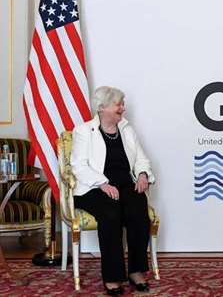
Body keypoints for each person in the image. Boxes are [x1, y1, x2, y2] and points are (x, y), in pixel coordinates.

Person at [71, 86, 155, 295]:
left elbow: (141, 159)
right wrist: (102, 183)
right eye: (118, 104)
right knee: (110, 213)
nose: (123, 108)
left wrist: (143, 174)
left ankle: (135, 271)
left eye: (122, 103)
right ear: (102, 107)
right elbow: (78, 166)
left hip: (125, 185)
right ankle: (113, 277)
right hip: (93, 188)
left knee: (138, 209)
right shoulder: (84, 131)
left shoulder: (127, 129)